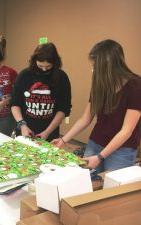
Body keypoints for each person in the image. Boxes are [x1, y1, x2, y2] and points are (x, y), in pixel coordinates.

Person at [51, 39, 141, 172]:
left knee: (112, 188)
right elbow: (85, 119)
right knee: (85, 179)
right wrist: (63, 140)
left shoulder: (135, 85)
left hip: (122, 148)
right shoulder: (100, 83)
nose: (93, 71)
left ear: (109, 66)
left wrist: (100, 156)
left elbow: (126, 131)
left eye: (96, 67)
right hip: (97, 141)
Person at [10, 43, 72, 141]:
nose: (44, 69)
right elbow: (14, 104)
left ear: (55, 63)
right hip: (24, 129)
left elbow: (63, 109)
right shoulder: (24, 75)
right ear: (34, 61)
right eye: (40, 65)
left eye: (48, 66)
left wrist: (47, 132)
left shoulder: (62, 77)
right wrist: (22, 124)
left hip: (50, 131)